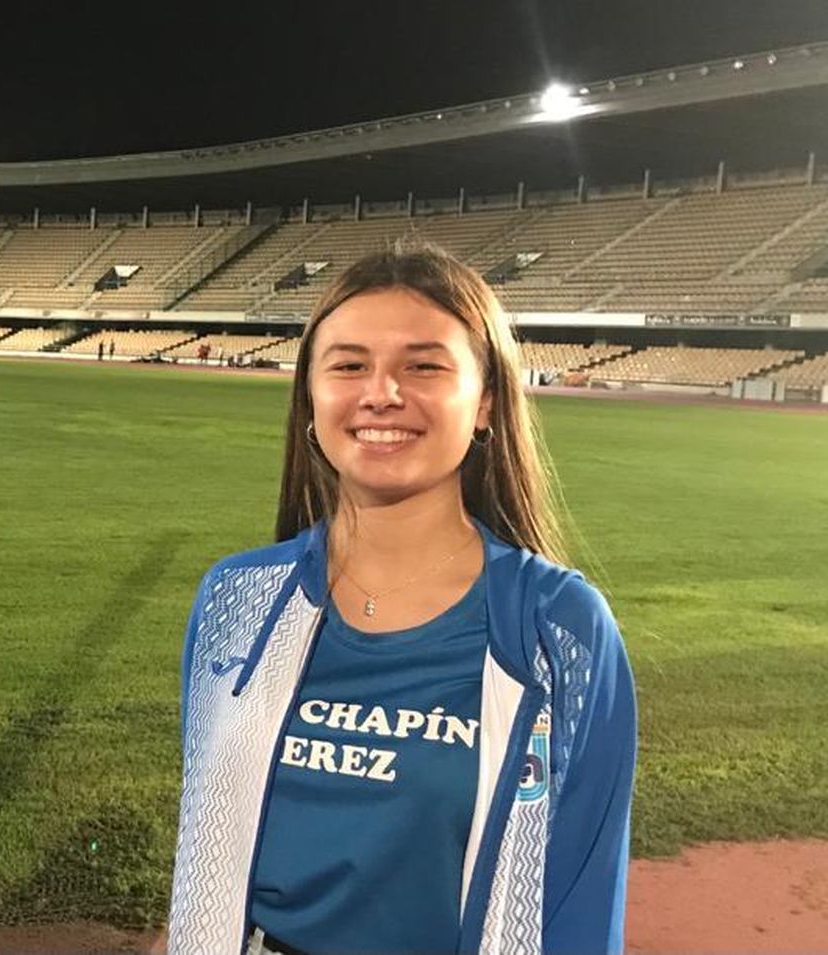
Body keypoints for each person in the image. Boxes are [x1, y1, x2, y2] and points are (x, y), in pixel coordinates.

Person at [168, 243, 636, 955]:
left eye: (423, 365)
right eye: (349, 364)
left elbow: (578, 897)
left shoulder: (558, 628)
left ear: (484, 402)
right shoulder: (236, 600)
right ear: (311, 401)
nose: (381, 392)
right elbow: (207, 851)